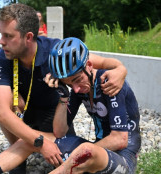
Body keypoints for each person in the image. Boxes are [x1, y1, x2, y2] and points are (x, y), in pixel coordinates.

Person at [0, 3, 127, 173]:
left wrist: (121, 69)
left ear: (28, 37)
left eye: (7, 36)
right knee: (7, 109)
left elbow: (96, 62)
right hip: (23, 112)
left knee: (70, 164)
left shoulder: (55, 51)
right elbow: (2, 114)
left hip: (53, 114)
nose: (1, 41)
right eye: (0, 34)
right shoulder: (1, 58)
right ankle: (17, 161)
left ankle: (25, 147)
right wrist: (40, 142)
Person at [45, 37, 141, 173]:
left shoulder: (108, 82)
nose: (76, 89)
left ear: (89, 66)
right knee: (43, 140)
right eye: (69, 84)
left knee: (85, 152)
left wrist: (80, 154)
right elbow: (59, 132)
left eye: (77, 80)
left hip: (123, 157)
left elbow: (120, 139)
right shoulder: (80, 89)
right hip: (99, 150)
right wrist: (64, 96)